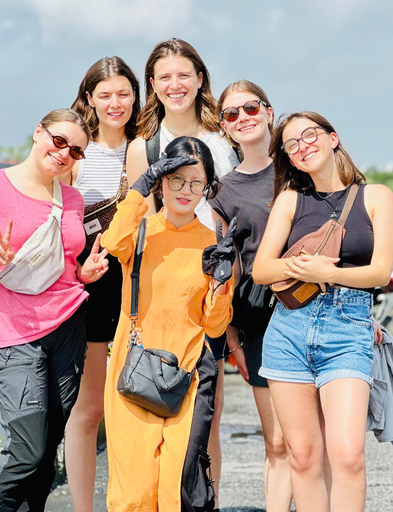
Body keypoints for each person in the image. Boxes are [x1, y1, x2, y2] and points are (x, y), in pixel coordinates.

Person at [0, 109, 109, 512]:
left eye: (76, 151)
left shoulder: (71, 198)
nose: (64, 153)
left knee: (47, 450)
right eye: (59, 141)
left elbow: (63, 264)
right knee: (25, 451)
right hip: (15, 334)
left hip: (69, 327)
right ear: (38, 132)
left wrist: (83, 274)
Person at [252, 112, 393, 512]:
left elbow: (381, 273)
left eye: (310, 135)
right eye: (292, 144)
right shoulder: (290, 200)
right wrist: (305, 268)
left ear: (333, 138)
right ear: (290, 158)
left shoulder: (376, 196)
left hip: (347, 329)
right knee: (302, 456)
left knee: (348, 455)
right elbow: (261, 270)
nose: (303, 146)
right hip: (289, 331)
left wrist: (328, 274)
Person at [125, 40, 238, 502]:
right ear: (152, 84)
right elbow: (140, 227)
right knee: (156, 412)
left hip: (216, 286)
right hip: (164, 299)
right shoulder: (143, 146)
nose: (175, 85)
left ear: (200, 79)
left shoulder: (225, 140)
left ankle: (206, 501)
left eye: (184, 75)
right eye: (165, 76)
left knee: (208, 413)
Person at [101, 136, 234, 512]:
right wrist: (141, 185)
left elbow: (214, 326)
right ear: (161, 180)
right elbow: (112, 240)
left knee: (177, 489)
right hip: (134, 369)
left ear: (206, 188)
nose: (185, 190)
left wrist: (221, 283)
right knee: (134, 492)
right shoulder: (140, 232)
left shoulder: (212, 242)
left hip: (188, 374)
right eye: (176, 179)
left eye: (196, 183)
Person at [61, 56, 141, 512]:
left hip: (137, 284)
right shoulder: (76, 151)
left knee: (136, 402)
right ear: (89, 97)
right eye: (105, 94)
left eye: (124, 93)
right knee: (89, 408)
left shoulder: (145, 145)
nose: (115, 103)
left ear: (136, 96)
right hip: (87, 285)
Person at [208, 80, 293, 510]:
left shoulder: (300, 168)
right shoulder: (223, 191)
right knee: (277, 442)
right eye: (231, 113)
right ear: (224, 126)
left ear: (269, 111)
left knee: (315, 441)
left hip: (317, 310)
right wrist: (233, 338)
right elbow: (230, 268)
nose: (243, 117)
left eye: (251, 108)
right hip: (261, 321)